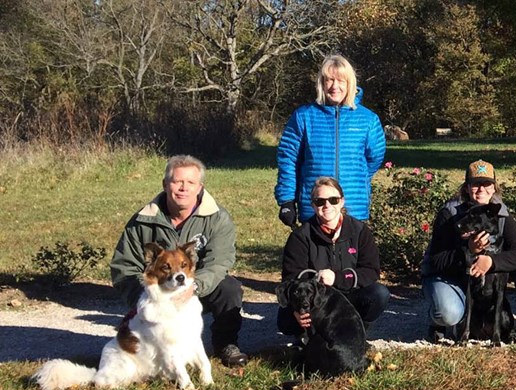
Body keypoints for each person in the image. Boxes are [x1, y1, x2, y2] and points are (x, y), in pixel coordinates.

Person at [109, 155, 248, 367]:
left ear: (200, 187)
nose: (183, 188)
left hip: (197, 290)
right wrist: (147, 297)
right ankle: (157, 352)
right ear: (165, 184)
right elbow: (124, 267)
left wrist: (195, 287)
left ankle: (225, 344)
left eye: (190, 182)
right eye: (177, 181)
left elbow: (219, 262)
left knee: (229, 288)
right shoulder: (142, 221)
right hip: (158, 296)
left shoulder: (217, 218)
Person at [419, 160, 516, 342]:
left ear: (494, 188)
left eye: (486, 184)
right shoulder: (450, 213)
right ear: (467, 188)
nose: (481, 189)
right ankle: (440, 323)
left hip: (482, 276)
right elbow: (437, 260)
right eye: (476, 184)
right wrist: (468, 251)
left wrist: (491, 261)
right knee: (448, 313)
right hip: (449, 274)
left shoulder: (500, 213)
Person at [275, 54, 386, 227]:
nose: (335, 86)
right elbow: (288, 159)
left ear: (350, 83)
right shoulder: (303, 116)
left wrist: (356, 178)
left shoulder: (368, 120)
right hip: (314, 208)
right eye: (330, 80)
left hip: (353, 208)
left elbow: (374, 159)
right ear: (321, 83)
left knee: (351, 254)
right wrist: (287, 200)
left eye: (341, 80)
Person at [278, 177, 391, 339]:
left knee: (379, 294)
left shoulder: (359, 231)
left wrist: (337, 277)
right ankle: (306, 337)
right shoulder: (300, 236)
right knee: (286, 319)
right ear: (312, 205)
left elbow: (371, 271)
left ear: (342, 202)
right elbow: (291, 278)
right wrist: (298, 309)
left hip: (349, 295)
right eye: (320, 201)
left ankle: (356, 333)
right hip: (315, 299)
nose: (327, 205)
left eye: (333, 200)